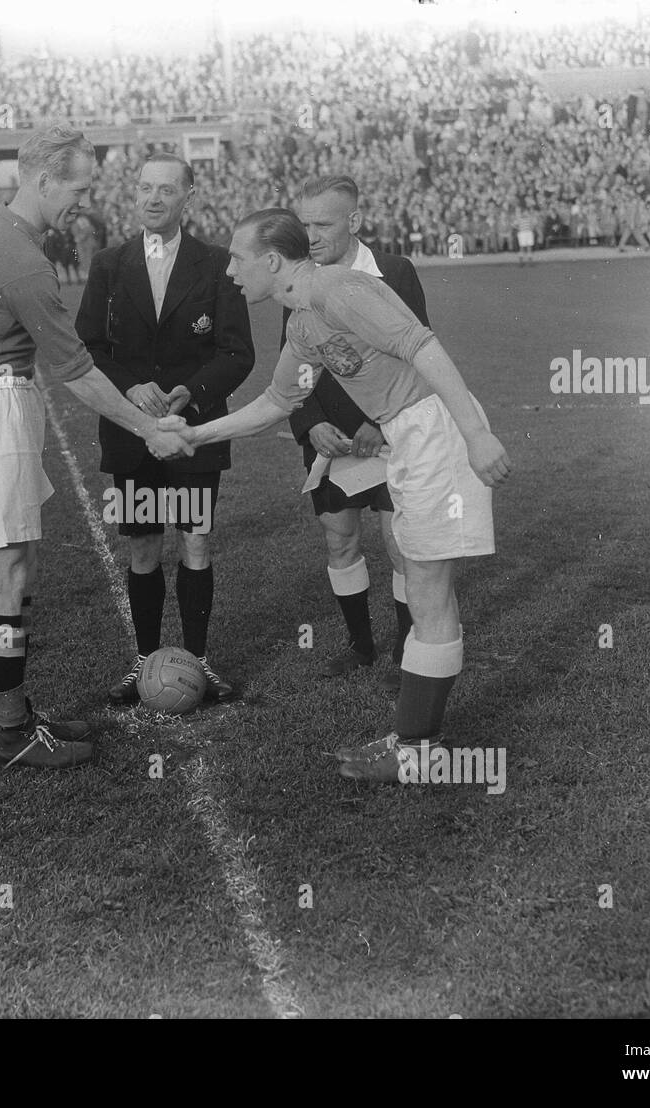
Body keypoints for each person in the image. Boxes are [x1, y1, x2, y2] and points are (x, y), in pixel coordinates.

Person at [168, 209, 512, 783]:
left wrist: (477, 436)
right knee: (428, 587)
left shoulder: (338, 289)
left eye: (237, 259)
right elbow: (277, 403)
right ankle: (416, 744)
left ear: (273, 261)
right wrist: (195, 434)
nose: (229, 272)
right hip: (409, 435)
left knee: (428, 589)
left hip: (437, 429)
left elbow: (422, 345)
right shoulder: (303, 323)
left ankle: (415, 749)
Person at [0, 125, 192, 772]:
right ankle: (9, 731)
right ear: (44, 180)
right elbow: (78, 374)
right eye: (78, 187)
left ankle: (14, 716)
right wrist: (148, 428)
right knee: (5, 575)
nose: (84, 200)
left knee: (15, 570)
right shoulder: (21, 256)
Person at [75, 153, 254, 705]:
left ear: (189, 195)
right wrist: (129, 388)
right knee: (145, 546)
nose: (153, 199)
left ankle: (199, 660)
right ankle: (142, 661)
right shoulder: (109, 264)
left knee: (195, 539)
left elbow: (237, 352)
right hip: (132, 432)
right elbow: (89, 346)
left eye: (167, 190)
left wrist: (192, 392)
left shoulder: (218, 262)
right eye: (145, 189)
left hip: (193, 430)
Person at [286, 176, 431, 693]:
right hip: (331, 438)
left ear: (355, 221)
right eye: (304, 225)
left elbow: (417, 352)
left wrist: (380, 420)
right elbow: (297, 367)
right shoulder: (300, 281)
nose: (310, 235)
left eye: (322, 224)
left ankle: (406, 647)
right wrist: (311, 424)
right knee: (340, 539)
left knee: (399, 543)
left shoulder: (394, 272)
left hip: (390, 432)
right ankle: (360, 645)